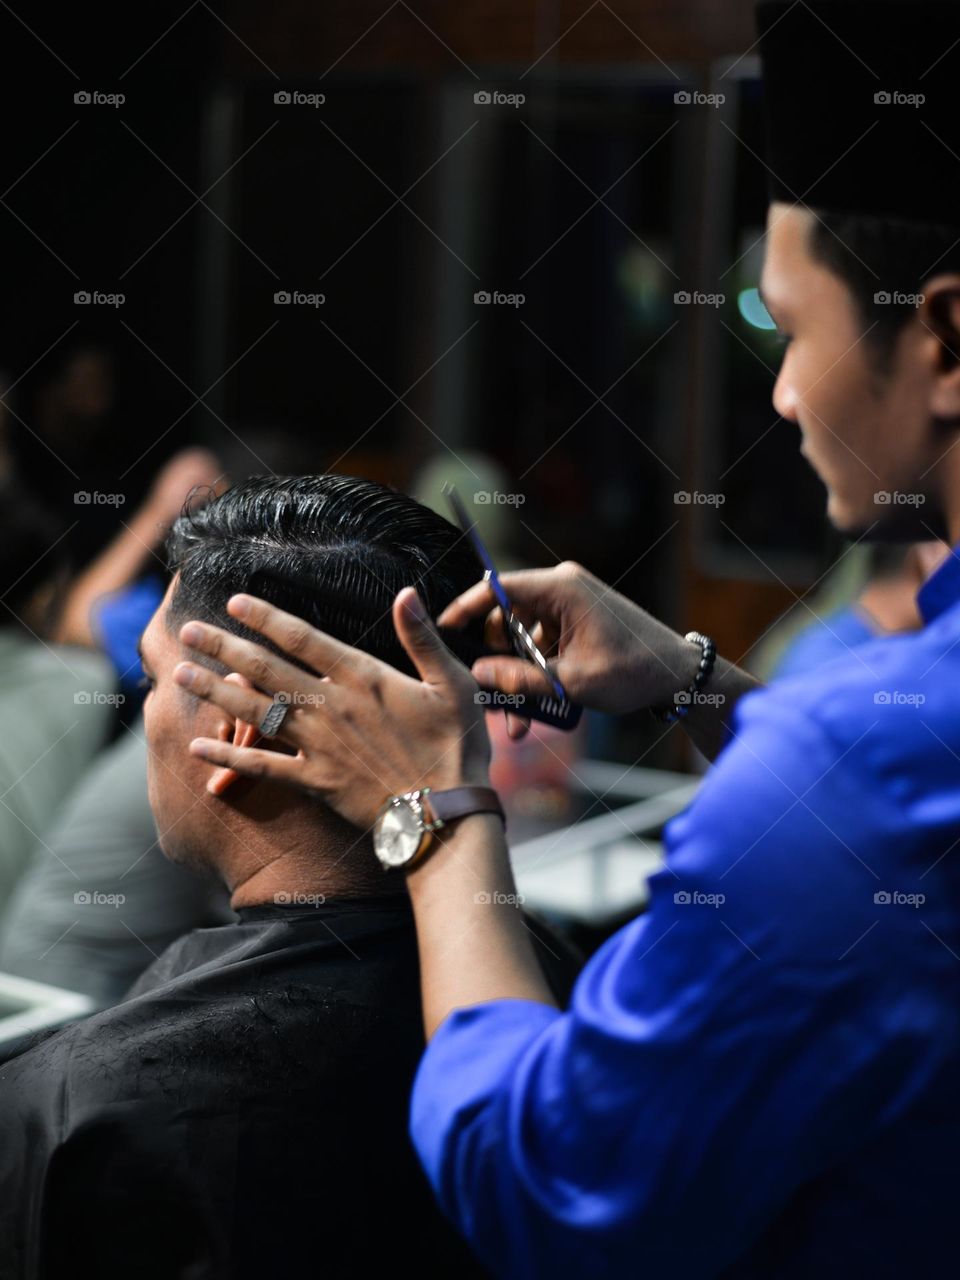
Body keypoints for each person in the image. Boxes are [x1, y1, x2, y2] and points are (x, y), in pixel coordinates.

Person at [168, 3, 960, 1276]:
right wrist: (699, 677)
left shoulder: (853, 761)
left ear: (944, 338)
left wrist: (438, 813)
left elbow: (540, 1175)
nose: (784, 391)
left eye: (791, 327)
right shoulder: (884, 737)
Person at [0, 474, 583, 1278]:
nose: (146, 721)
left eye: (151, 680)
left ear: (242, 729)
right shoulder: (542, 985)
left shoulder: (73, 1106)